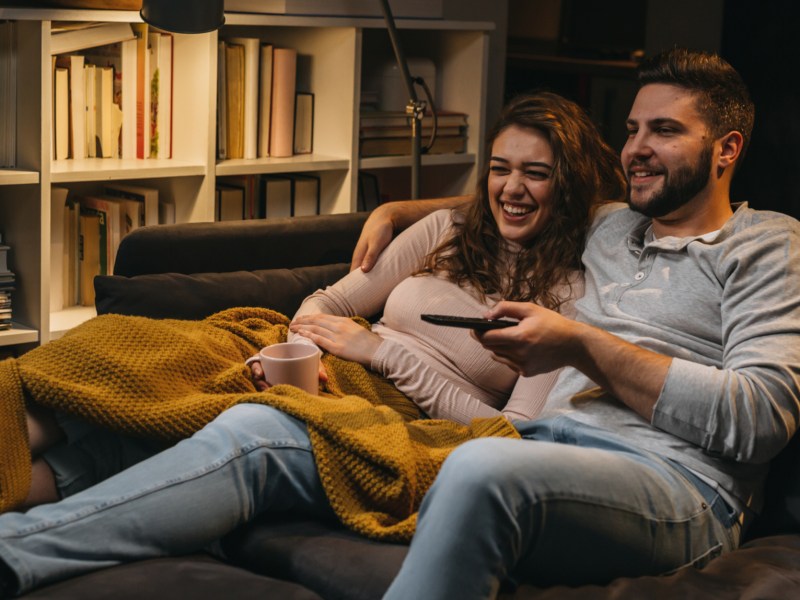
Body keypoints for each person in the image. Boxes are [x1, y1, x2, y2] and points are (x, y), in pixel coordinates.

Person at [0, 91, 625, 596]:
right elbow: (329, 302)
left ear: (567, 184)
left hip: (383, 407)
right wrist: (299, 349)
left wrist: (384, 354)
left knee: (134, 430)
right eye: (500, 168)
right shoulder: (446, 229)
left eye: (535, 174)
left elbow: (510, 433)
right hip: (312, 363)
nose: (511, 188)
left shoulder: (570, 302)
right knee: (116, 349)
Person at [348, 48, 800, 598]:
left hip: (680, 486)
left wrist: (582, 345)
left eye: (663, 130)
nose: (635, 149)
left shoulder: (768, 244)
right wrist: (395, 211)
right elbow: (519, 192)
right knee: (269, 435)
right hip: (544, 448)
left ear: (727, 149)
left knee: (478, 467)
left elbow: (760, 417)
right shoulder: (612, 224)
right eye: (632, 130)